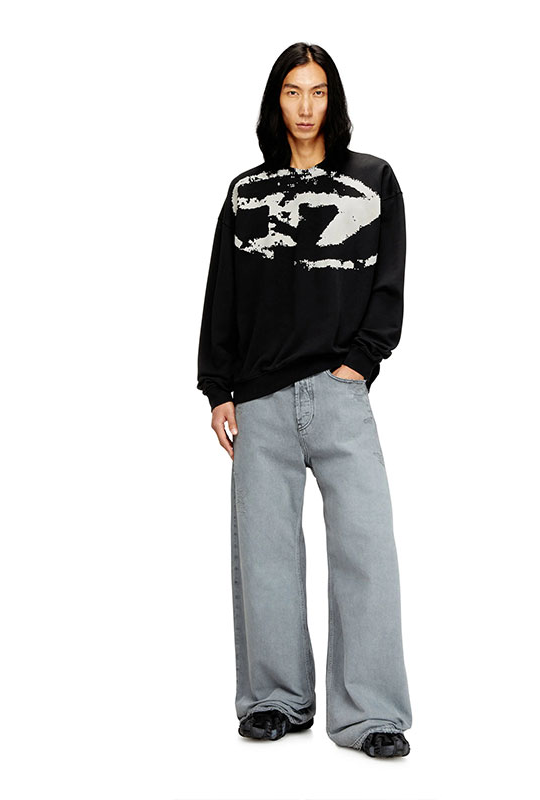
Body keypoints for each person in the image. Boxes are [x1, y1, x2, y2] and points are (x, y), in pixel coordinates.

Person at [196, 42, 412, 758]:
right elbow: (223, 295)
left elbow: (388, 281)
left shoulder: (373, 180)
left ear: (333, 100)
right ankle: (274, 700)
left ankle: (371, 713)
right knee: (265, 557)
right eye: (293, 91)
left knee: (366, 550)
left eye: (318, 91)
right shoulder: (245, 194)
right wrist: (218, 388)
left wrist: (361, 362)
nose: (306, 106)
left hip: (341, 393)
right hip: (259, 398)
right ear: (276, 102)